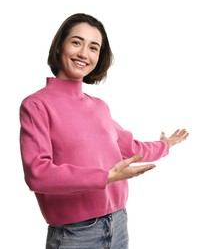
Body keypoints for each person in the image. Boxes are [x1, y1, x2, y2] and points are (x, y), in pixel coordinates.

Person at [19, 13, 189, 249]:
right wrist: (104, 177)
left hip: (118, 223)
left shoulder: (99, 106)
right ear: (59, 47)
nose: (83, 54)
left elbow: (131, 148)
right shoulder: (36, 105)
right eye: (76, 42)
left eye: (93, 47)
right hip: (75, 234)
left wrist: (165, 145)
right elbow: (37, 173)